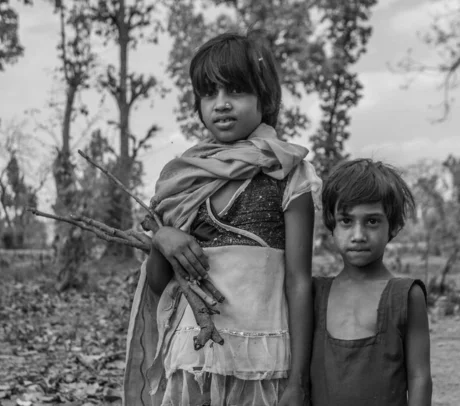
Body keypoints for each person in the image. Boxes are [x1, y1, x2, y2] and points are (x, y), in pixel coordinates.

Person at [124, 32, 321, 406]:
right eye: (209, 93)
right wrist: (162, 239)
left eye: (236, 91)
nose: (222, 104)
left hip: (262, 363)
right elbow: (157, 284)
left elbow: (298, 281)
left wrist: (298, 381)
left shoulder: (289, 173)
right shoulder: (182, 179)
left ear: (265, 97)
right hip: (192, 359)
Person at [310, 159, 432, 406]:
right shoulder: (315, 293)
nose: (358, 235)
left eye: (372, 221)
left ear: (394, 226)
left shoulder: (406, 296)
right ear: (331, 224)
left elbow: (419, 377)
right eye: (346, 221)